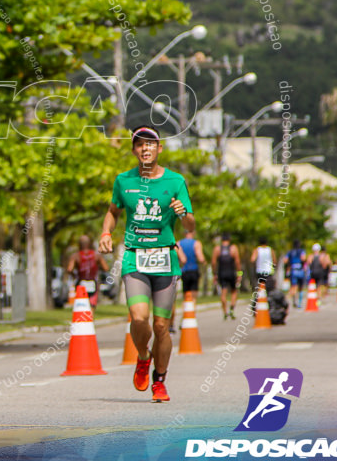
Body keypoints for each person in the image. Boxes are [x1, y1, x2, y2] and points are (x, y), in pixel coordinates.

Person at [100, 126, 194, 404]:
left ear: (159, 149)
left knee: (162, 326)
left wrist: (182, 213)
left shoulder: (176, 181)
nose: (145, 148)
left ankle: (159, 381)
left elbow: (190, 224)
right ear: (134, 151)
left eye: (151, 144)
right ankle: (143, 356)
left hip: (165, 258)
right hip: (135, 257)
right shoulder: (123, 180)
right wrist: (106, 232)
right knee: (140, 319)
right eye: (140, 144)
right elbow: (112, 212)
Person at [66, 235, 110, 308]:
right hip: (93, 281)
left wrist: (74, 275)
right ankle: (91, 317)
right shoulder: (96, 255)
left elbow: (69, 269)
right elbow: (106, 268)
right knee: (92, 303)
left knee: (81, 302)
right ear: (90, 244)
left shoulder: (75, 256)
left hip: (81, 282)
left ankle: (82, 316)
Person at [212, 233, 241, 320]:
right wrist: (239, 273)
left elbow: (213, 262)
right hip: (231, 272)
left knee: (223, 292)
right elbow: (237, 262)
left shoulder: (217, 249)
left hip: (222, 273)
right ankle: (231, 308)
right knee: (234, 291)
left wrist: (215, 274)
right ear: (229, 239)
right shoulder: (233, 248)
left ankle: (225, 312)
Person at [284, 240, 307, 308]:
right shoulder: (301, 251)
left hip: (293, 270)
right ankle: (299, 302)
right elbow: (303, 258)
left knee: (293, 286)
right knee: (300, 287)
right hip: (300, 270)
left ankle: (294, 301)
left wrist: (289, 265)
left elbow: (285, 260)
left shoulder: (290, 252)